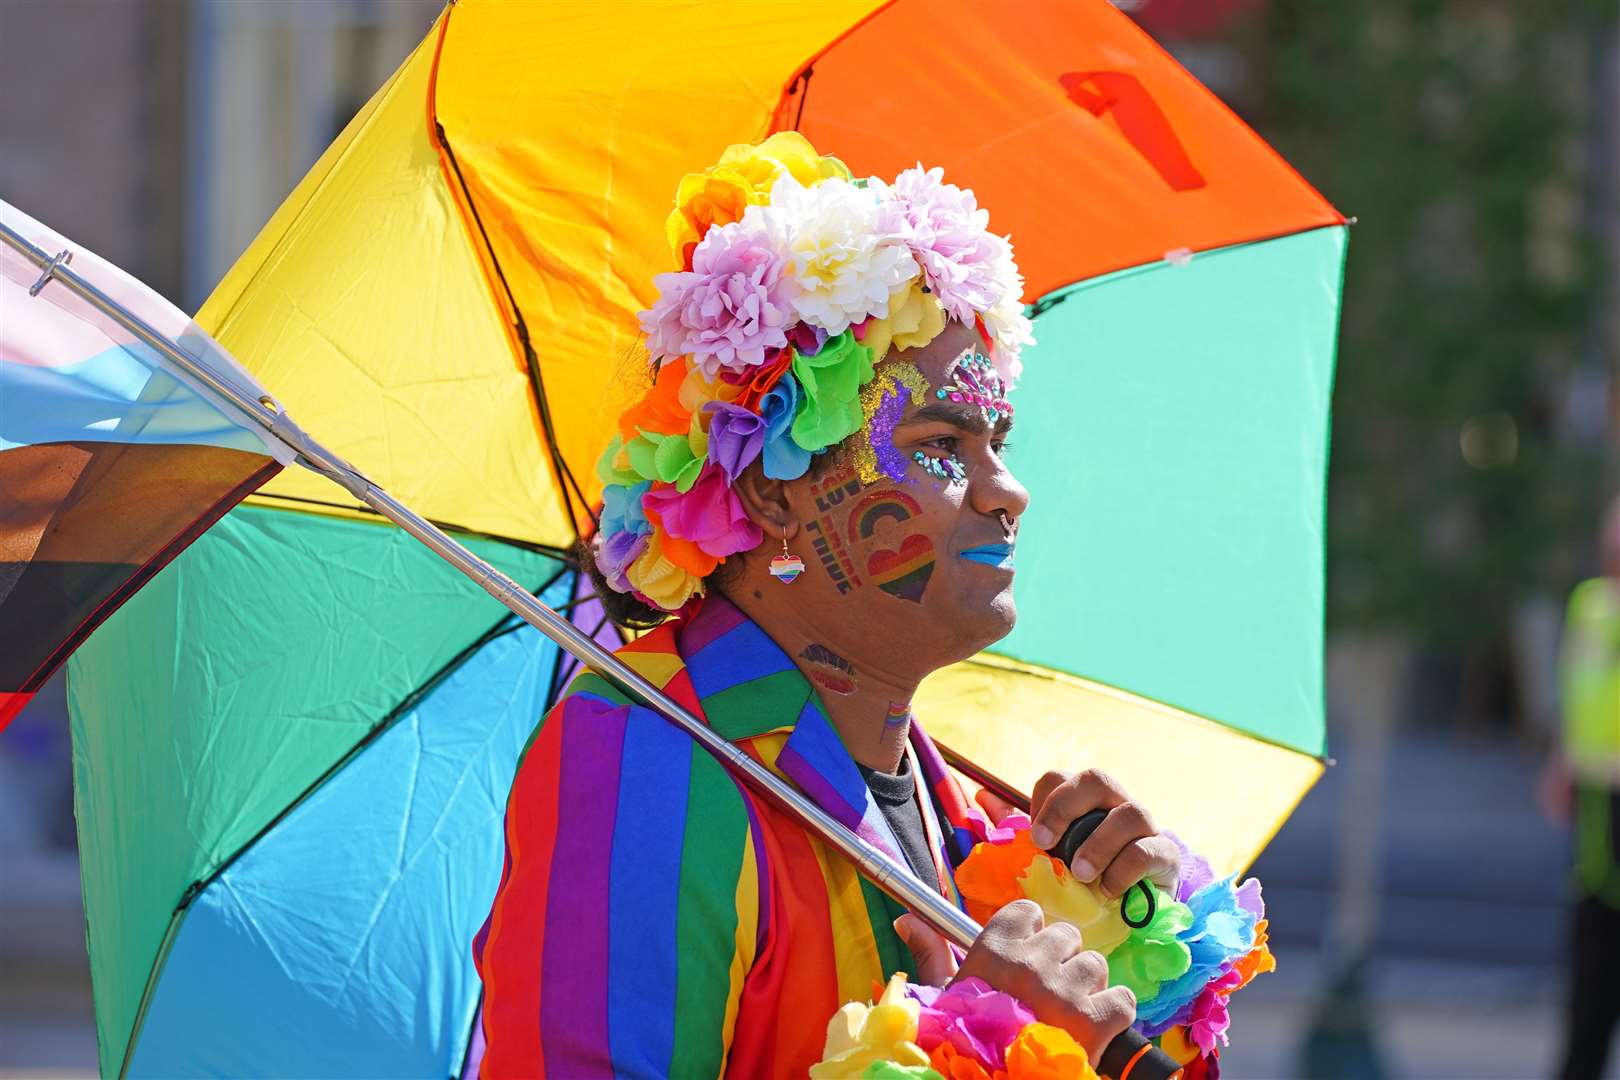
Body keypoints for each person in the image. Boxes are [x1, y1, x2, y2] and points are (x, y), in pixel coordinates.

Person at [472, 134, 1181, 1077]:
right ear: (772, 492)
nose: (1007, 491)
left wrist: (1117, 949)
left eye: (997, 441)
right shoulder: (644, 760)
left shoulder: (957, 807)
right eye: (940, 445)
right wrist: (988, 1047)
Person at [1549, 496, 1620, 1080]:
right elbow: (1576, 687)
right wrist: (1563, 760)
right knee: (1592, 964)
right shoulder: (1592, 605)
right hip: (1597, 799)